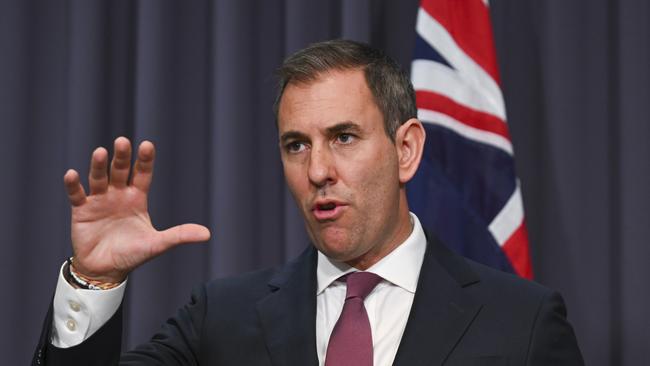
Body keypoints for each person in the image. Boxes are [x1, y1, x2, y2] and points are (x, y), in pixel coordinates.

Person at [33, 39, 584, 365]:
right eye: (296, 145)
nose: (318, 170)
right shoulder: (221, 320)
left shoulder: (523, 324)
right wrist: (94, 281)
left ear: (406, 149)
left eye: (343, 137)